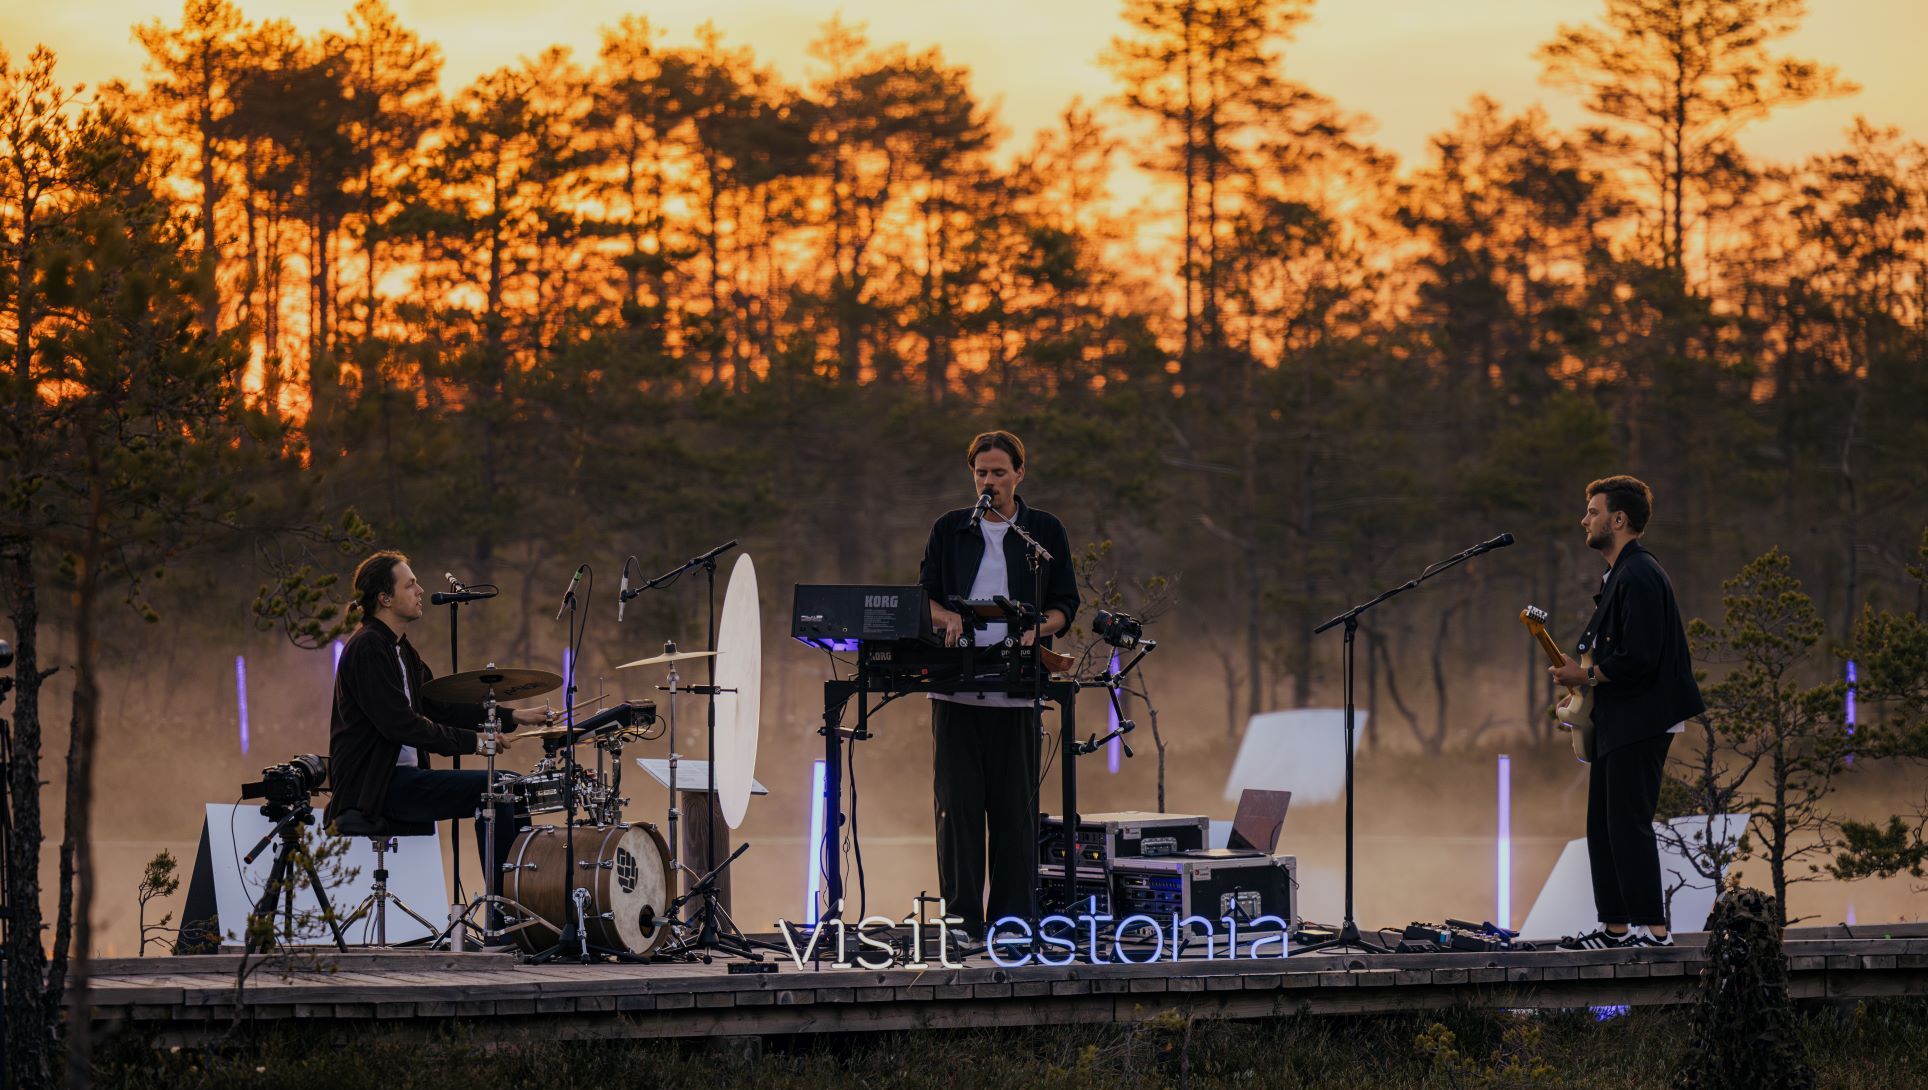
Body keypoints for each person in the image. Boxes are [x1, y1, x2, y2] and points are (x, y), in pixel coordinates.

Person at [324, 550, 550, 928]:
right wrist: (475, 742)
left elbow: (439, 706)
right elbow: (402, 725)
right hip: (376, 789)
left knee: (513, 787)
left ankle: (520, 907)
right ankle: (502, 920)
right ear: (384, 598)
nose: (420, 590)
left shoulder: (401, 651)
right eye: (409, 584)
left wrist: (511, 717)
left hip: (400, 783)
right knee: (497, 787)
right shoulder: (367, 648)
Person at [919, 431, 1079, 936]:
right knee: (958, 810)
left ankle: (1012, 920)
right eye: (981, 473)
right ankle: (962, 922)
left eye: (999, 472)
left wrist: (1038, 630)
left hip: (1017, 690)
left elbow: (1064, 604)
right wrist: (945, 617)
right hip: (956, 688)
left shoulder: (1043, 530)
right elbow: (923, 595)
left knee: (1014, 813)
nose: (989, 482)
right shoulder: (950, 529)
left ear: (1019, 474)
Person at [1552, 477, 1705, 950]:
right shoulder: (1622, 574)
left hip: (1643, 719)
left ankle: (1651, 931)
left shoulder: (1639, 574)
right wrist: (1584, 695)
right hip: (1622, 717)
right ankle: (1614, 928)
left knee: (1628, 822)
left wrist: (1586, 679)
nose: (1585, 520)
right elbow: (1615, 655)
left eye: (1594, 512)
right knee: (1603, 824)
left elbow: (1640, 657)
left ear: (1619, 520)